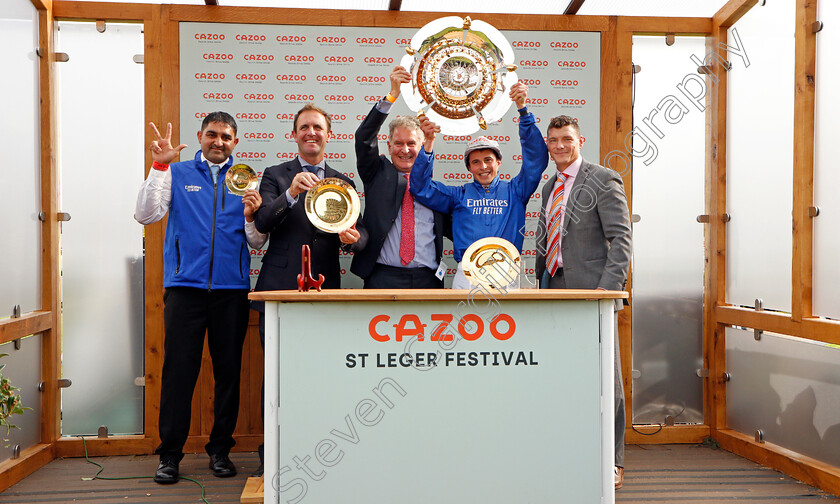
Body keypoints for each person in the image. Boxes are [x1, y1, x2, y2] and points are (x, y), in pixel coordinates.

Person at [134, 113, 266, 484]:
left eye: (226, 136)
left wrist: (252, 217)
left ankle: (220, 451)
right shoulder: (177, 173)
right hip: (185, 290)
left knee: (228, 375)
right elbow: (145, 214)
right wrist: (160, 164)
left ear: (235, 142)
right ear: (200, 137)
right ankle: (170, 455)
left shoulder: (247, 181)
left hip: (231, 292)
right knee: (178, 374)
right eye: (212, 135)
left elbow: (256, 242)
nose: (218, 141)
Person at [251, 103, 359, 476]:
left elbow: (353, 241)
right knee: (275, 375)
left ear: (330, 135)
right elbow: (262, 223)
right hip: (279, 289)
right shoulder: (275, 175)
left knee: (321, 373)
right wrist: (291, 195)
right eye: (304, 127)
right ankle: (272, 456)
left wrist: (351, 241)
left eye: (318, 127)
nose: (311, 133)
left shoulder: (344, 183)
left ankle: (318, 449)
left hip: (325, 290)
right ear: (294, 135)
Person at [533, 115, 632, 489]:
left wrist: (606, 292)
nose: (559, 145)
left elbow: (622, 240)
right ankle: (573, 448)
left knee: (609, 380)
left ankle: (614, 460)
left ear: (581, 140)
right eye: (553, 140)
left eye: (566, 139)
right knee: (564, 375)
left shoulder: (602, 178)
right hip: (555, 289)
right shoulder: (549, 187)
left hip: (594, 293)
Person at [409, 82, 549, 289]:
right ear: (469, 168)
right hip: (467, 276)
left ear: (499, 162)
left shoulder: (516, 190)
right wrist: (428, 143)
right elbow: (420, 188)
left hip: (506, 274)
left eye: (488, 160)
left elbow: (536, 160)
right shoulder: (459, 195)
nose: (483, 166)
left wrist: (523, 109)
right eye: (476, 162)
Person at [351, 66, 448, 288]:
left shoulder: (435, 189)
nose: (405, 150)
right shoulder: (375, 172)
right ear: (389, 145)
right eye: (399, 143)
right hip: (382, 278)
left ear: (421, 146)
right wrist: (392, 94)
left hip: (428, 279)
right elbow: (364, 137)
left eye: (411, 143)